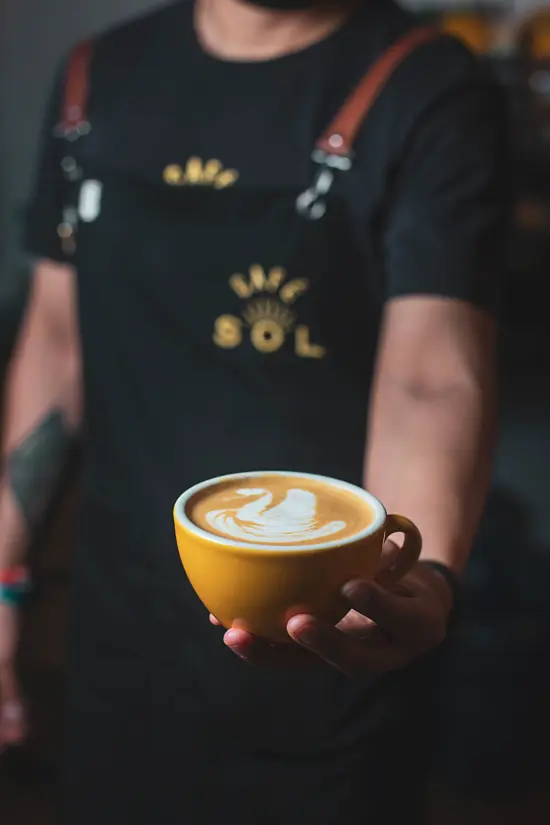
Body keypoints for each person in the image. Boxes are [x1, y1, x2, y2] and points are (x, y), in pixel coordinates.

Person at [0, 0, 506, 822]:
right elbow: (56, 343)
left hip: (334, 643)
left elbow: (432, 375)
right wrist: (5, 581)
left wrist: (424, 571)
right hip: (121, 638)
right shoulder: (94, 79)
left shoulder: (430, 86)